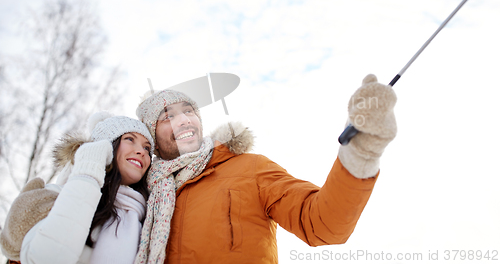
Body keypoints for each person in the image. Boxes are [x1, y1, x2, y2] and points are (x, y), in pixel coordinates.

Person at [134, 74, 397, 264]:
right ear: (152, 138)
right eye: (167, 116)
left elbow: (323, 223)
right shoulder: (141, 196)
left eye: (188, 110)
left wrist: (360, 153)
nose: (183, 120)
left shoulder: (250, 169)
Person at [0, 112, 155, 264]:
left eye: (147, 148)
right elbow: (43, 258)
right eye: (129, 139)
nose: (141, 151)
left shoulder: (149, 217)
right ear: (105, 146)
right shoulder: (56, 196)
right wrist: (88, 172)